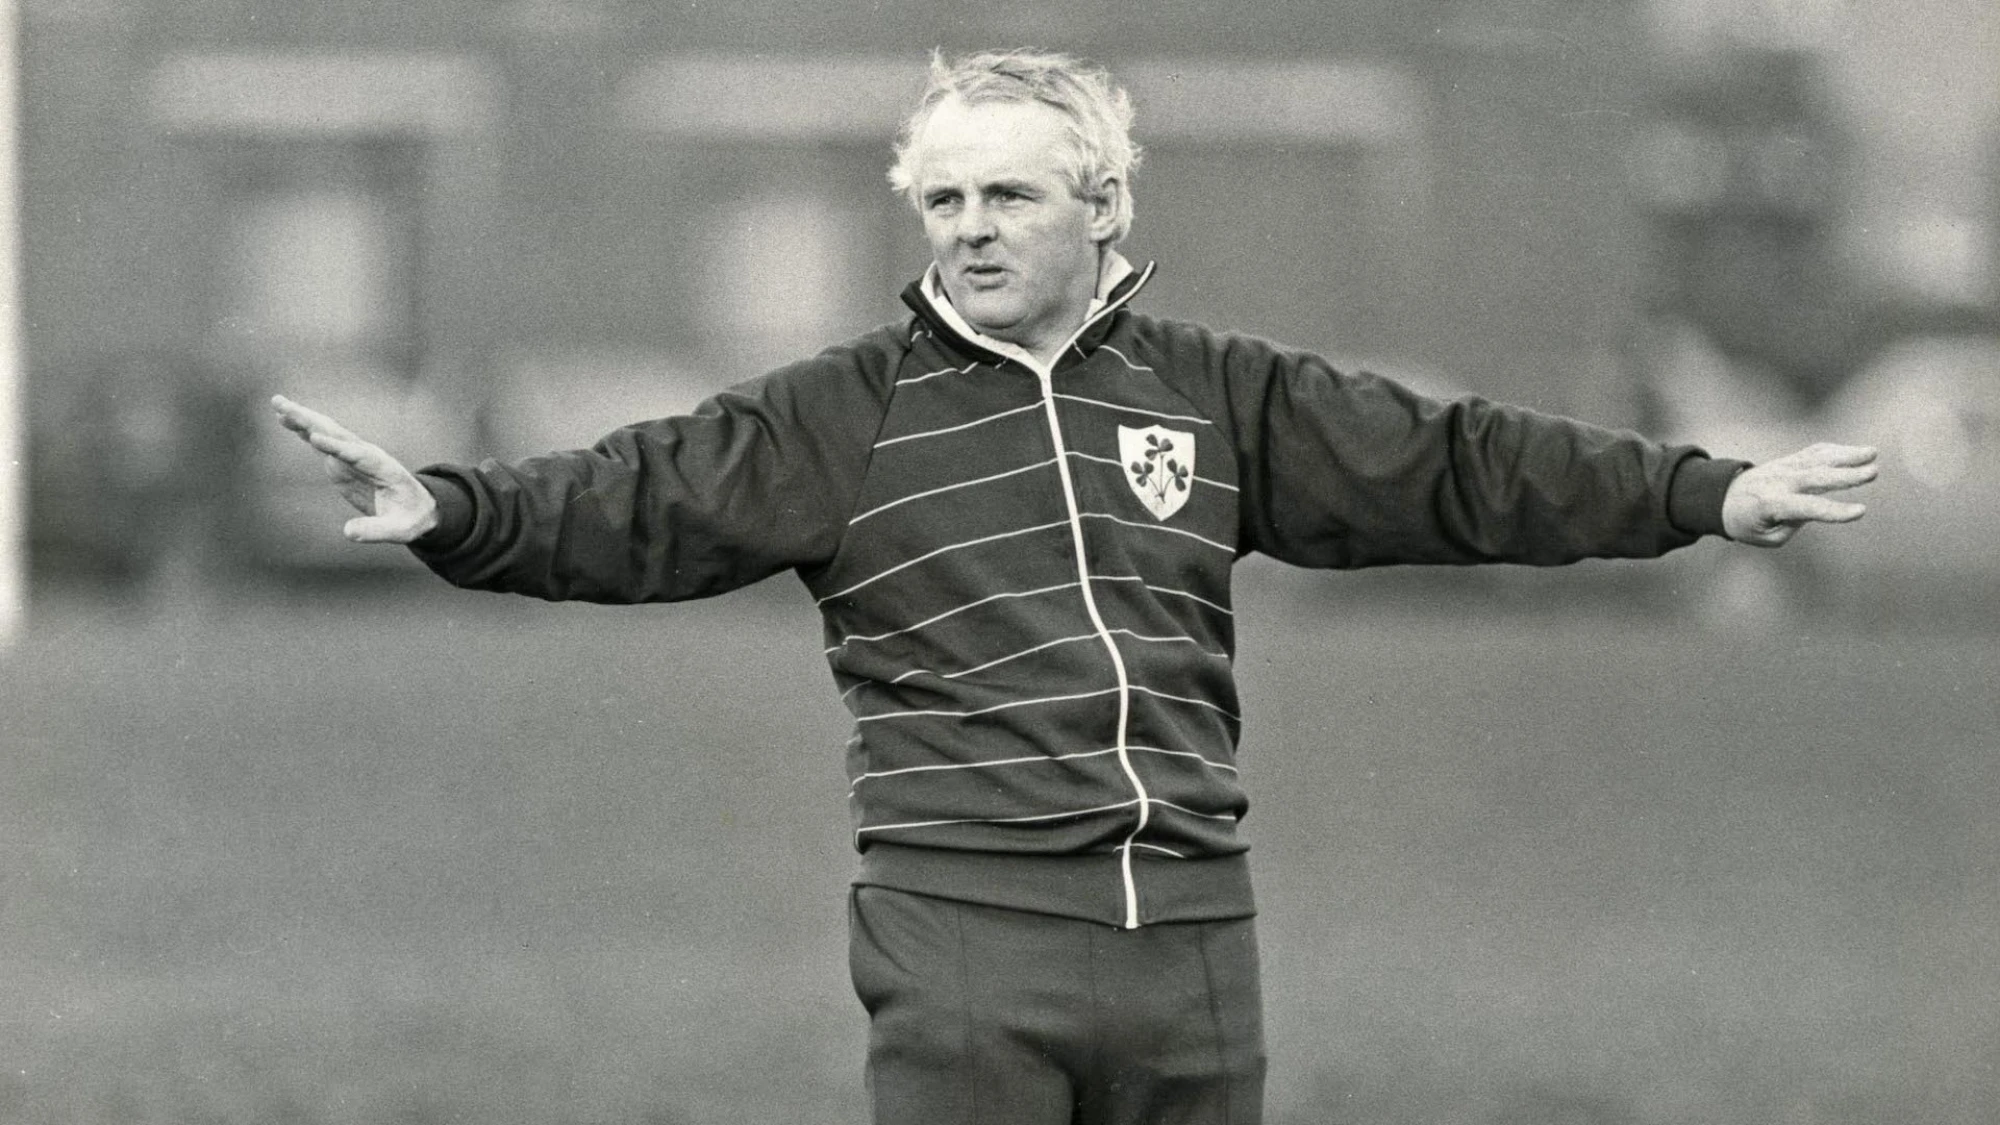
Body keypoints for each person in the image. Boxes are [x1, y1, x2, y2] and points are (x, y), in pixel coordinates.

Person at [273, 48, 1877, 1125]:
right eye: (945, 200)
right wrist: (451, 508)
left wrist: (1705, 492)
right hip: (967, 941)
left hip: (1193, 943)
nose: (969, 229)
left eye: (1008, 196)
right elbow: (639, 498)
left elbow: (1453, 463)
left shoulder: (1216, 392)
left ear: (1101, 206)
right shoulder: (847, 410)